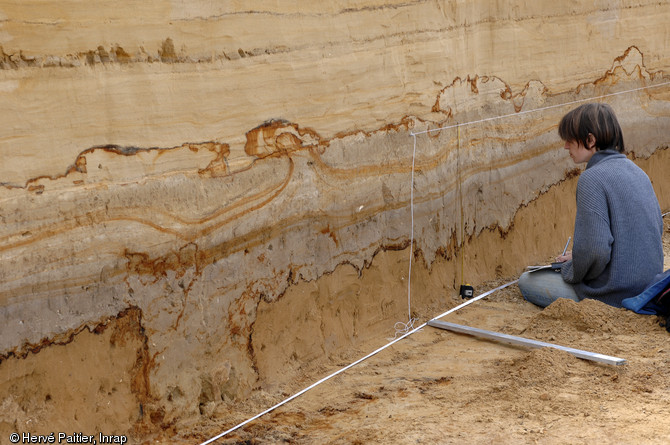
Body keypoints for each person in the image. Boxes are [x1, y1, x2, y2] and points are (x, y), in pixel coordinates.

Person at [518, 102, 664, 308]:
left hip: (615, 295)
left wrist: (573, 266)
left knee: (527, 281)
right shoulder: (638, 171)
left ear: (590, 140)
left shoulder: (592, 179)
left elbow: (595, 251)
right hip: (649, 288)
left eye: (570, 139)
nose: (566, 146)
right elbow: (649, 233)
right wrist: (579, 255)